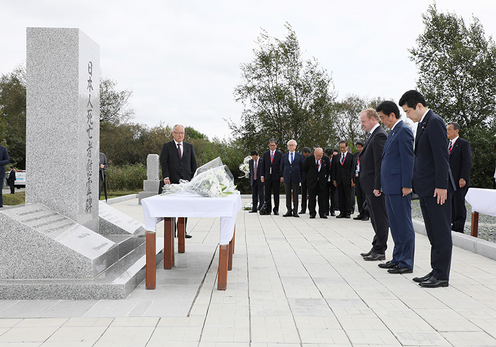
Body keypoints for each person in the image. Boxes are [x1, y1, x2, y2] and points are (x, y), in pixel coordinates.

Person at [400, 90, 452, 288]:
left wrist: (441, 185)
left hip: (436, 189)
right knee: (432, 231)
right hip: (426, 187)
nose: (407, 116)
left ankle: (442, 276)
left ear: (419, 106)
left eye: (408, 111)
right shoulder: (424, 123)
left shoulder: (435, 121)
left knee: (440, 232)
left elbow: (441, 156)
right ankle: (435, 270)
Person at [377, 101, 415, 274]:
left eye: (383, 117)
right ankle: (397, 258)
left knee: (403, 224)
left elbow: (408, 160)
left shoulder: (404, 131)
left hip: (400, 187)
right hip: (390, 187)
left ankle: (406, 262)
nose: (382, 121)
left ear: (392, 115)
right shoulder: (393, 132)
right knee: (395, 224)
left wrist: (407, 185)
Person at [359, 109, 389, 261]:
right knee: (374, 217)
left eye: (364, 121)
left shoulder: (380, 136)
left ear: (373, 119)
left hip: (374, 186)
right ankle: (376, 245)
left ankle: (380, 249)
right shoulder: (373, 135)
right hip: (369, 184)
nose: (362, 124)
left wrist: (378, 186)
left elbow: (380, 164)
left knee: (380, 217)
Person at [160, 124, 198, 238]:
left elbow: (193, 163)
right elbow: (164, 163)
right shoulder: (167, 146)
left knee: (185, 206)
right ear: (173, 133)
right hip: (172, 181)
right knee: (172, 206)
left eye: (182, 133)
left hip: (186, 181)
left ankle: (183, 231)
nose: (181, 135)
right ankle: (172, 231)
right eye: (178, 133)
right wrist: (166, 177)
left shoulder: (189, 146)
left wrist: (194, 177)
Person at [447, 122, 472, 233]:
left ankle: (459, 226)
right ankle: (451, 223)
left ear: (456, 131)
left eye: (449, 129)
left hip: (458, 179)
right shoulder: (446, 144)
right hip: (448, 180)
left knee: (458, 202)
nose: (447, 131)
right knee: (450, 202)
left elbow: (467, 162)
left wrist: (463, 177)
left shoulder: (463, 144)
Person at [303, 147, 330, 218]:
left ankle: (322, 213)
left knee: (322, 199)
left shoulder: (326, 159)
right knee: (312, 198)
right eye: (317, 156)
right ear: (314, 153)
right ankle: (312, 213)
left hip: (322, 182)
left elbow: (327, 170)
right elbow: (305, 169)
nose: (318, 157)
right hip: (312, 182)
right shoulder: (309, 159)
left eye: (320, 156)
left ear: (322, 154)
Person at [280, 139, 304, 217]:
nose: (291, 146)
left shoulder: (299, 156)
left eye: (292, 145)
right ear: (288, 146)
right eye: (289, 145)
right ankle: (289, 210)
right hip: (287, 177)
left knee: (296, 195)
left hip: (296, 177)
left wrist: (301, 177)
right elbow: (281, 167)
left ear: (295, 146)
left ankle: (295, 211)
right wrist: (283, 175)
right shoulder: (284, 156)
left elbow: (302, 167)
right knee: (287, 195)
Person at [332, 141, 354, 218]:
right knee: (340, 196)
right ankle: (342, 212)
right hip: (339, 179)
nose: (342, 149)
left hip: (348, 179)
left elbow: (352, 168)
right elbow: (334, 169)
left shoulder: (351, 156)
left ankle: (348, 212)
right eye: (341, 147)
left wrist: (352, 179)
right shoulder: (336, 157)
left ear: (347, 147)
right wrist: (334, 179)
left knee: (348, 196)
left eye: (343, 147)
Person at [261, 139, 283, 215]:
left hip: (276, 176)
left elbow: (281, 166)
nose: (272, 146)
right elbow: (263, 166)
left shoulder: (279, 154)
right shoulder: (265, 154)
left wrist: (282, 175)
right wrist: (262, 175)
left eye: (273, 145)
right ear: (269, 145)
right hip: (267, 176)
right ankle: (268, 209)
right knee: (267, 194)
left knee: (276, 194)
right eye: (270, 145)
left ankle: (276, 209)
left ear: (276, 145)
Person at [352, 140, 369, 221]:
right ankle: (361, 212)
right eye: (357, 147)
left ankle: (366, 213)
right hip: (357, 176)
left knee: (364, 195)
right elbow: (353, 166)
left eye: (360, 147)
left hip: (365, 177)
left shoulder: (367, 153)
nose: (359, 149)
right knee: (358, 195)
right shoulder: (356, 154)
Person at [299, 147, 312, 214]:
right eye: (305, 155)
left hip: (310, 178)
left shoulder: (312, 157)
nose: (306, 156)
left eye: (308, 154)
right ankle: (303, 209)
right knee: (303, 194)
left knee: (311, 194)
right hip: (303, 178)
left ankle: (311, 209)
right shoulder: (300, 157)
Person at [325, 148, 337, 216]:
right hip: (326, 179)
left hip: (333, 179)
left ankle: (332, 210)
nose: (329, 157)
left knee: (333, 195)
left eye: (330, 156)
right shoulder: (324, 159)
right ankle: (326, 210)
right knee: (325, 195)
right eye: (328, 156)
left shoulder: (335, 158)